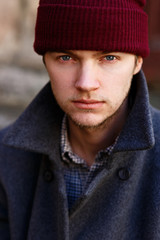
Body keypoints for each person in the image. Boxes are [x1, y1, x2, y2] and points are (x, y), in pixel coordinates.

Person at [0, 0, 160, 239]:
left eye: (109, 58)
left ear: (137, 62)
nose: (86, 83)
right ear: (45, 61)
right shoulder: (6, 156)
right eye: (66, 58)